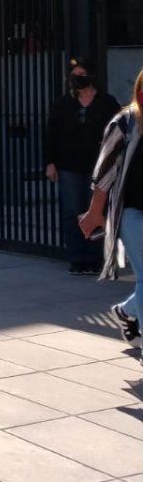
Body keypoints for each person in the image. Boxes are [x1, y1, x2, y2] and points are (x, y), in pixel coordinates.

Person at [80, 67, 143, 351]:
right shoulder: (125, 123)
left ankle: (127, 311)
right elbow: (104, 172)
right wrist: (95, 212)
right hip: (132, 212)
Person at [47, 58, 121, 275]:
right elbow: (51, 134)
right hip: (69, 164)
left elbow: (118, 132)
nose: (77, 79)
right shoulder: (63, 104)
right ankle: (76, 257)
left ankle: (94, 257)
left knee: (95, 210)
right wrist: (50, 162)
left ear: (91, 76)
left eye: (81, 74)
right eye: (74, 75)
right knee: (72, 211)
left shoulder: (106, 102)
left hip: (98, 166)